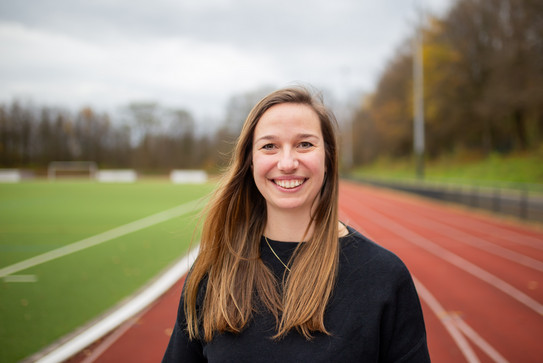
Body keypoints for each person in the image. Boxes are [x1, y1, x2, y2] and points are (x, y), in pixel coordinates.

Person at [162, 86, 430, 362]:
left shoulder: (383, 276)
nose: (287, 163)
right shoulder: (213, 271)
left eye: (305, 144)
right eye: (269, 146)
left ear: (328, 157)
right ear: (250, 162)